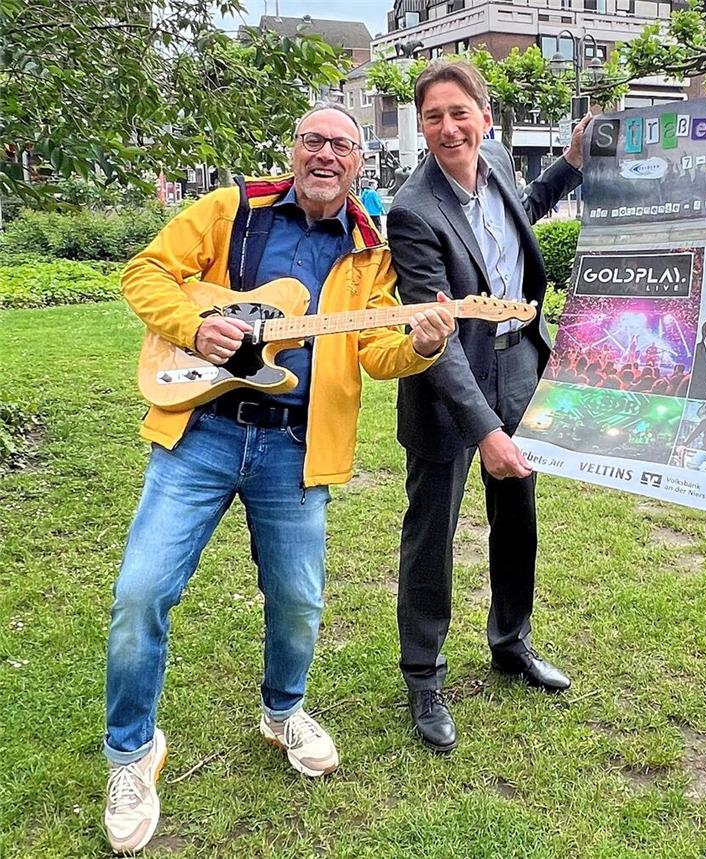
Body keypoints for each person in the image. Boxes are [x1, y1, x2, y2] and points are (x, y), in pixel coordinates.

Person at [102, 104, 455, 853]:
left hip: (294, 449)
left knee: (298, 601)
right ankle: (131, 753)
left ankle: (283, 711)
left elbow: (376, 351)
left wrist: (422, 344)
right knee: (140, 593)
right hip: (200, 432)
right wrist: (195, 327)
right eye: (313, 140)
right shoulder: (233, 208)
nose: (326, 154)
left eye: (342, 146)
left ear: (359, 162)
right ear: (295, 150)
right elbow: (145, 271)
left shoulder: (371, 250)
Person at [386, 59, 591, 754]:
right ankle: (424, 674)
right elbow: (436, 338)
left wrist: (570, 164)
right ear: (421, 125)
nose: (448, 128)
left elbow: (520, 214)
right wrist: (485, 432)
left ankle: (511, 641)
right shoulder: (412, 211)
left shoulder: (496, 161)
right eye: (433, 117)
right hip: (448, 390)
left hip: (519, 363)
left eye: (459, 113)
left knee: (517, 514)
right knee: (432, 533)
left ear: (485, 117)